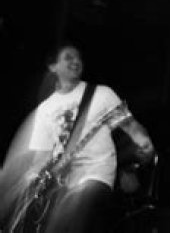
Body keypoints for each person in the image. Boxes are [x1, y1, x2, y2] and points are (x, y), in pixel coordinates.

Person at [1, 43, 156, 232]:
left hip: (96, 175)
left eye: (78, 58)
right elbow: (41, 155)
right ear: (53, 66)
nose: (76, 61)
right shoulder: (44, 109)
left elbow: (130, 126)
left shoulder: (101, 94)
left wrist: (144, 141)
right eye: (68, 57)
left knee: (77, 205)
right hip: (63, 185)